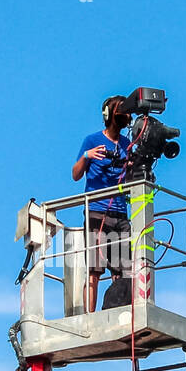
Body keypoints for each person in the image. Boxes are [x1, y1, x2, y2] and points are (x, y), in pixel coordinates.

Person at [72, 96, 132, 312]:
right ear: (109, 115)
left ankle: (118, 312)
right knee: (95, 268)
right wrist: (87, 156)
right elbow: (76, 175)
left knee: (122, 268)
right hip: (97, 211)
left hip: (121, 212)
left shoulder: (128, 145)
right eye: (121, 111)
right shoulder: (92, 140)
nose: (126, 115)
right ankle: (90, 316)